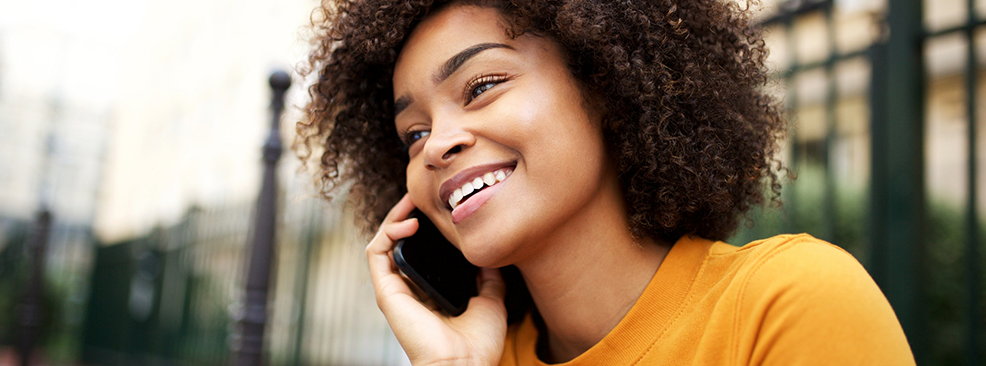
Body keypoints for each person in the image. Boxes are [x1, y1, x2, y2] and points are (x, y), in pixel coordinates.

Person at [295, 0, 915, 364]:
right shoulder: (479, 357)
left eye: (481, 87)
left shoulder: (787, 304)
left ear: (607, 85)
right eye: (413, 133)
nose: (437, 145)